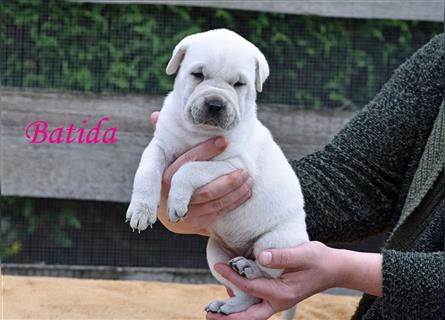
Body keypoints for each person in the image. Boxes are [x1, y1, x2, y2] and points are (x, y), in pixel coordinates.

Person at [152, 34, 444, 320]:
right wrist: (228, 195)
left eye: (238, 83)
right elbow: (357, 176)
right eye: (199, 76)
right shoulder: (438, 60)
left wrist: (346, 270)